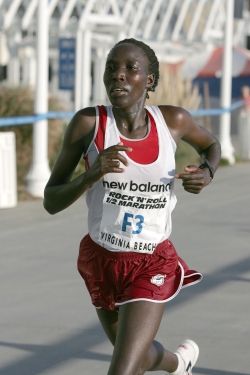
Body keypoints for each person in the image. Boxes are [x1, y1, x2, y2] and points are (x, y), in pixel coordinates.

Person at [44, 38, 221, 375]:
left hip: (151, 261)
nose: (119, 76)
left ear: (149, 80)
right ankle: (179, 363)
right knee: (136, 360)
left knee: (122, 371)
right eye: (112, 69)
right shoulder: (88, 124)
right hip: (102, 259)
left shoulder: (173, 121)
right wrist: (89, 176)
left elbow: (211, 143)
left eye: (130, 68)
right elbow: (51, 200)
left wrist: (207, 172)